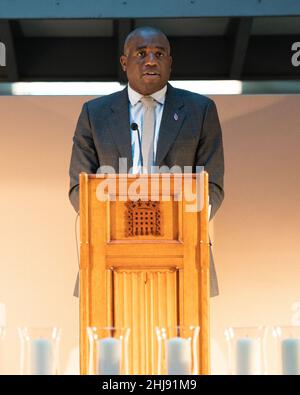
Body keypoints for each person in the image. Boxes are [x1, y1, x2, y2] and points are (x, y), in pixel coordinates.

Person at [69, 26, 224, 297]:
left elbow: (212, 186)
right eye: (141, 53)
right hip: (110, 248)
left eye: (159, 53)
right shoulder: (95, 114)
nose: (151, 60)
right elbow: (79, 188)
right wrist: (118, 223)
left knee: (183, 338)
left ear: (170, 62)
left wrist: (177, 223)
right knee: (111, 339)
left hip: (183, 248)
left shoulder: (200, 111)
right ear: (124, 62)